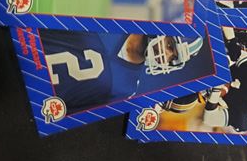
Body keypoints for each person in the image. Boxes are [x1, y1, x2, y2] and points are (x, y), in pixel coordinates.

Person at [41, 30, 202, 113]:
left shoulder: (127, 88)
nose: (165, 56)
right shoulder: (114, 21)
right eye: (170, 45)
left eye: (173, 58)